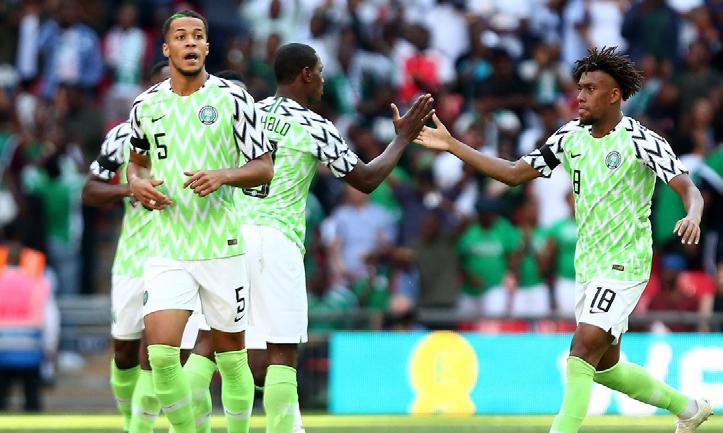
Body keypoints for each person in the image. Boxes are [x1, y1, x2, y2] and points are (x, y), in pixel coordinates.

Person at [414, 46, 711, 433]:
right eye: (579, 88)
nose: (580, 96)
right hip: (587, 265)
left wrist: (693, 214)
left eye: (590, 89)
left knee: (582, 346)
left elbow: (688, 188)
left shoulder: (641, 140)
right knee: (604, 367)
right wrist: (454, 145)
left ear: (614, 95)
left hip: (625, 262)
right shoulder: (569, 136)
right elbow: (513, 173)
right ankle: (688, 408)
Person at [239, 43, 432, 433]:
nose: (324, 81)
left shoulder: (245, 114)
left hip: (233, 239)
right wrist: (402, 139)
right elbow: (366, 179)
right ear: (306, 74)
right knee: (281, 353)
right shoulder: (315, 126)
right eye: (321, 72)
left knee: (236, 354)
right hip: (277, 240)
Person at [126, 10, 273, 433]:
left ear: (207, 47)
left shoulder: (233, 99)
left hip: (221, 245)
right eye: (181, 36)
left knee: (231, 359)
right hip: (168, 244)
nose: (190, 42)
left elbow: (264, 167)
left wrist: (223, 175)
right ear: (167, 48)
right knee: (160, 356)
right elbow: (137, 163)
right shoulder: (145, 105)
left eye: (197, 36)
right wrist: (137, 184)